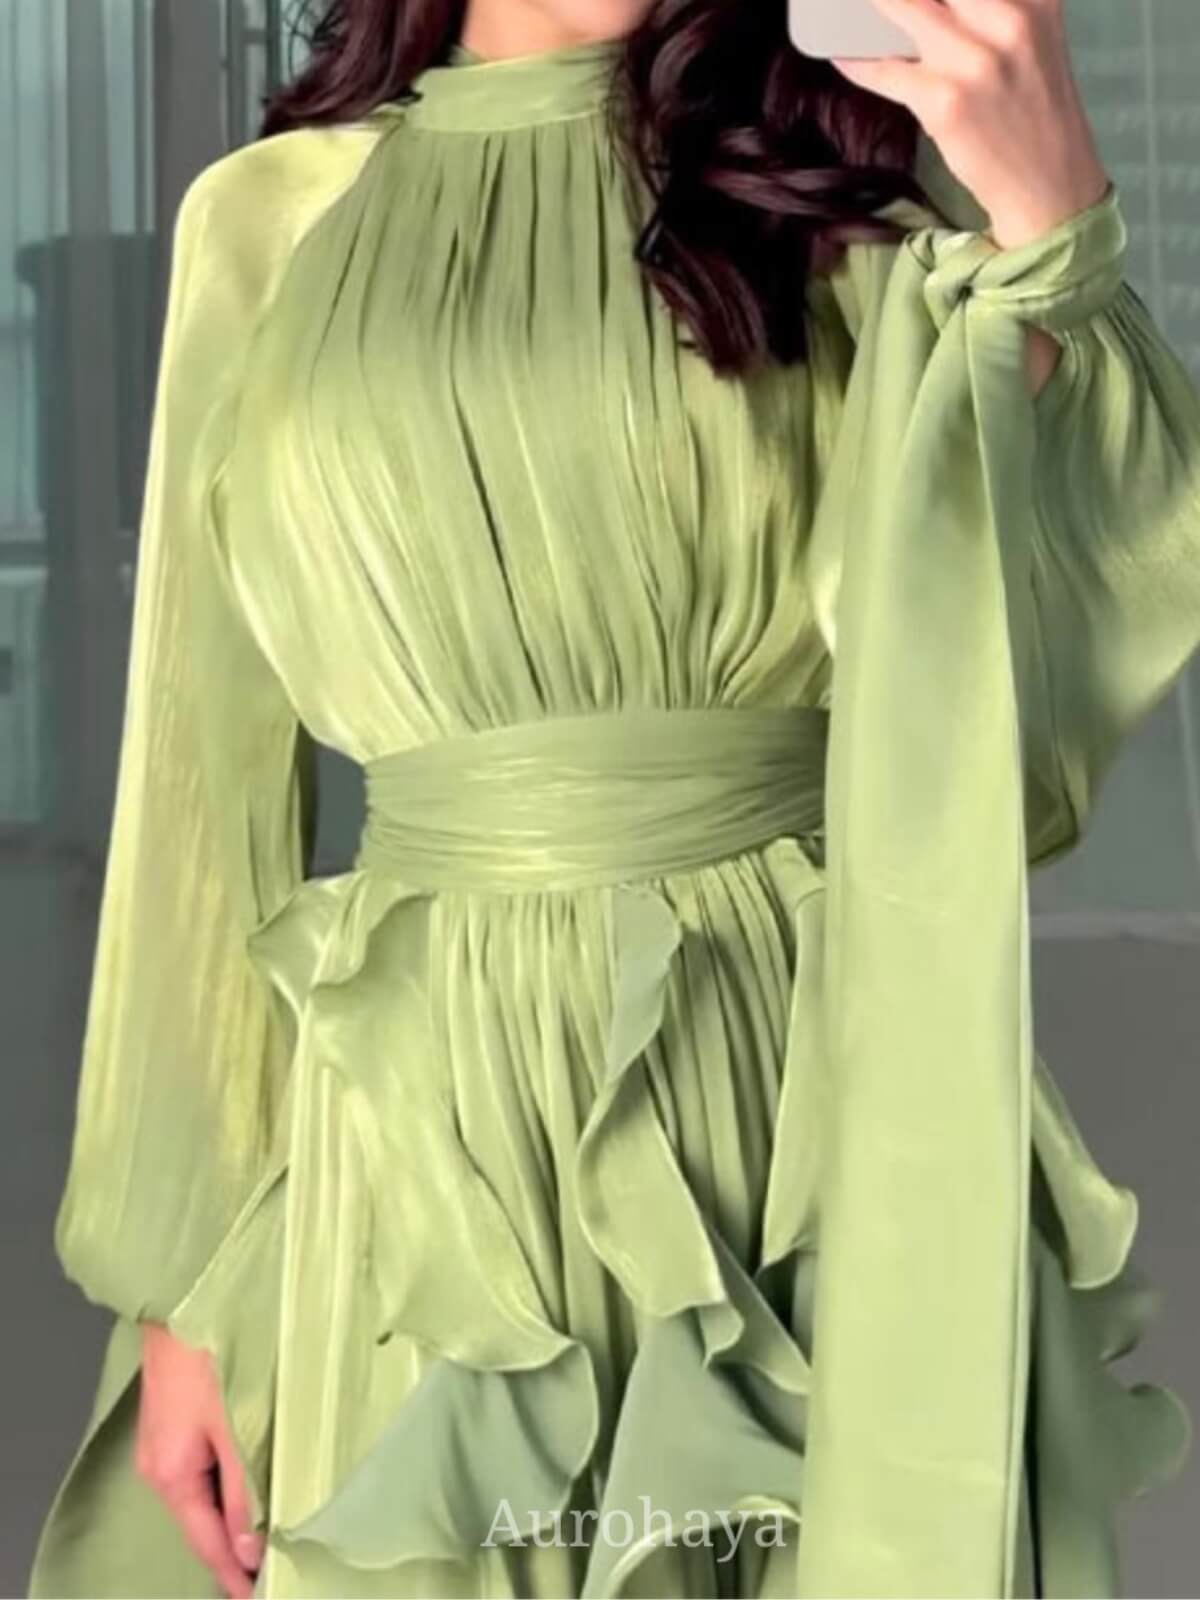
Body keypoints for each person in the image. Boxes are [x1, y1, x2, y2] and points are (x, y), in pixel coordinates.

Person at [26, 0, 1200, 1595]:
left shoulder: (849, 181)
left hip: (800, 1102)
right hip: (419, 1142)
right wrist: (176, 1286)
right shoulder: (273, 219)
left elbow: (1033, 644)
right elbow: (199, 788)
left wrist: (1052, 230)